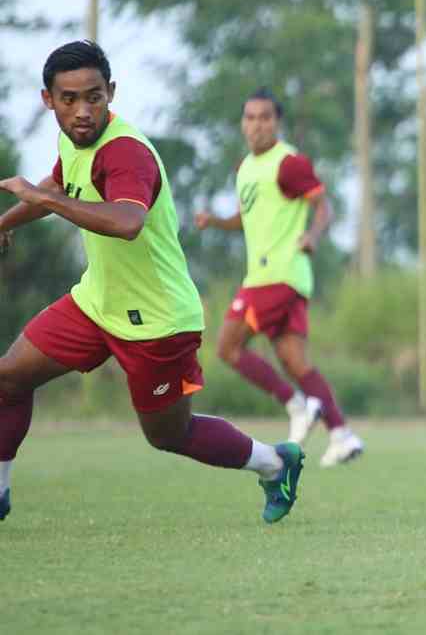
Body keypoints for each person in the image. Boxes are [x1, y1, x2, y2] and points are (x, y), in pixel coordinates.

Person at [0, 41, 302, 524]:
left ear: (111, 93)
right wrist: (7, 222)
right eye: (69, 99)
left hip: (157, 320)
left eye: (94, 97)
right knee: (9, 378)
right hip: (97, 302)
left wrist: (44, 201)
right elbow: (56, 188)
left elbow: (126, 221)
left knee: (167, 435)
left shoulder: (125, 154)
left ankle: (274, 462)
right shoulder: (72, 141)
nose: (82, 111)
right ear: (48, 100)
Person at [195, 89, 363, 467]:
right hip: (271, 278)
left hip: (278, 276)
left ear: (277, 122)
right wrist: (215, 221)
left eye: (265, 117)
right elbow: (245, 218)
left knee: (227, 346)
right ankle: (341, 434)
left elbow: (324, 206)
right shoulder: (244, 169)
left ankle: (296, 406)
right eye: (250, 117)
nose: (257, 124)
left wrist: (313, 236)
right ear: (242, 123)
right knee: (295, 362)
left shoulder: (289, 164)